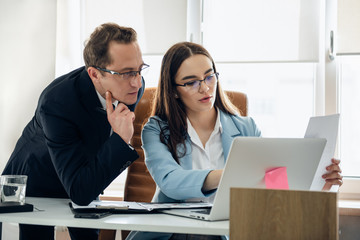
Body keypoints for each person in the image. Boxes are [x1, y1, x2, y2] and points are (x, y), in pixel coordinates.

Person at [126, 42, 343, 240]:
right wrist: (233, 174)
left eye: (209, 76)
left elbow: (271, 188)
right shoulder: (156, 129)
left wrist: (319, 184)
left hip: (222, 232)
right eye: (191, 82)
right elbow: (170, 182)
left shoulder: (246, 127)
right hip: (172, 234)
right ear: (173, 91)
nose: (204, 88)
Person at [2, 23, 147, 240]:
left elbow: (85, 188)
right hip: (39, 177)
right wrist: (120, 139)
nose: (136, 81)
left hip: (86, 172)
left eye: (139, 69)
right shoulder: (57, 102)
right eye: (126, 73)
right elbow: (79, 190)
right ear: (95, 74)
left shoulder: (133, 87)